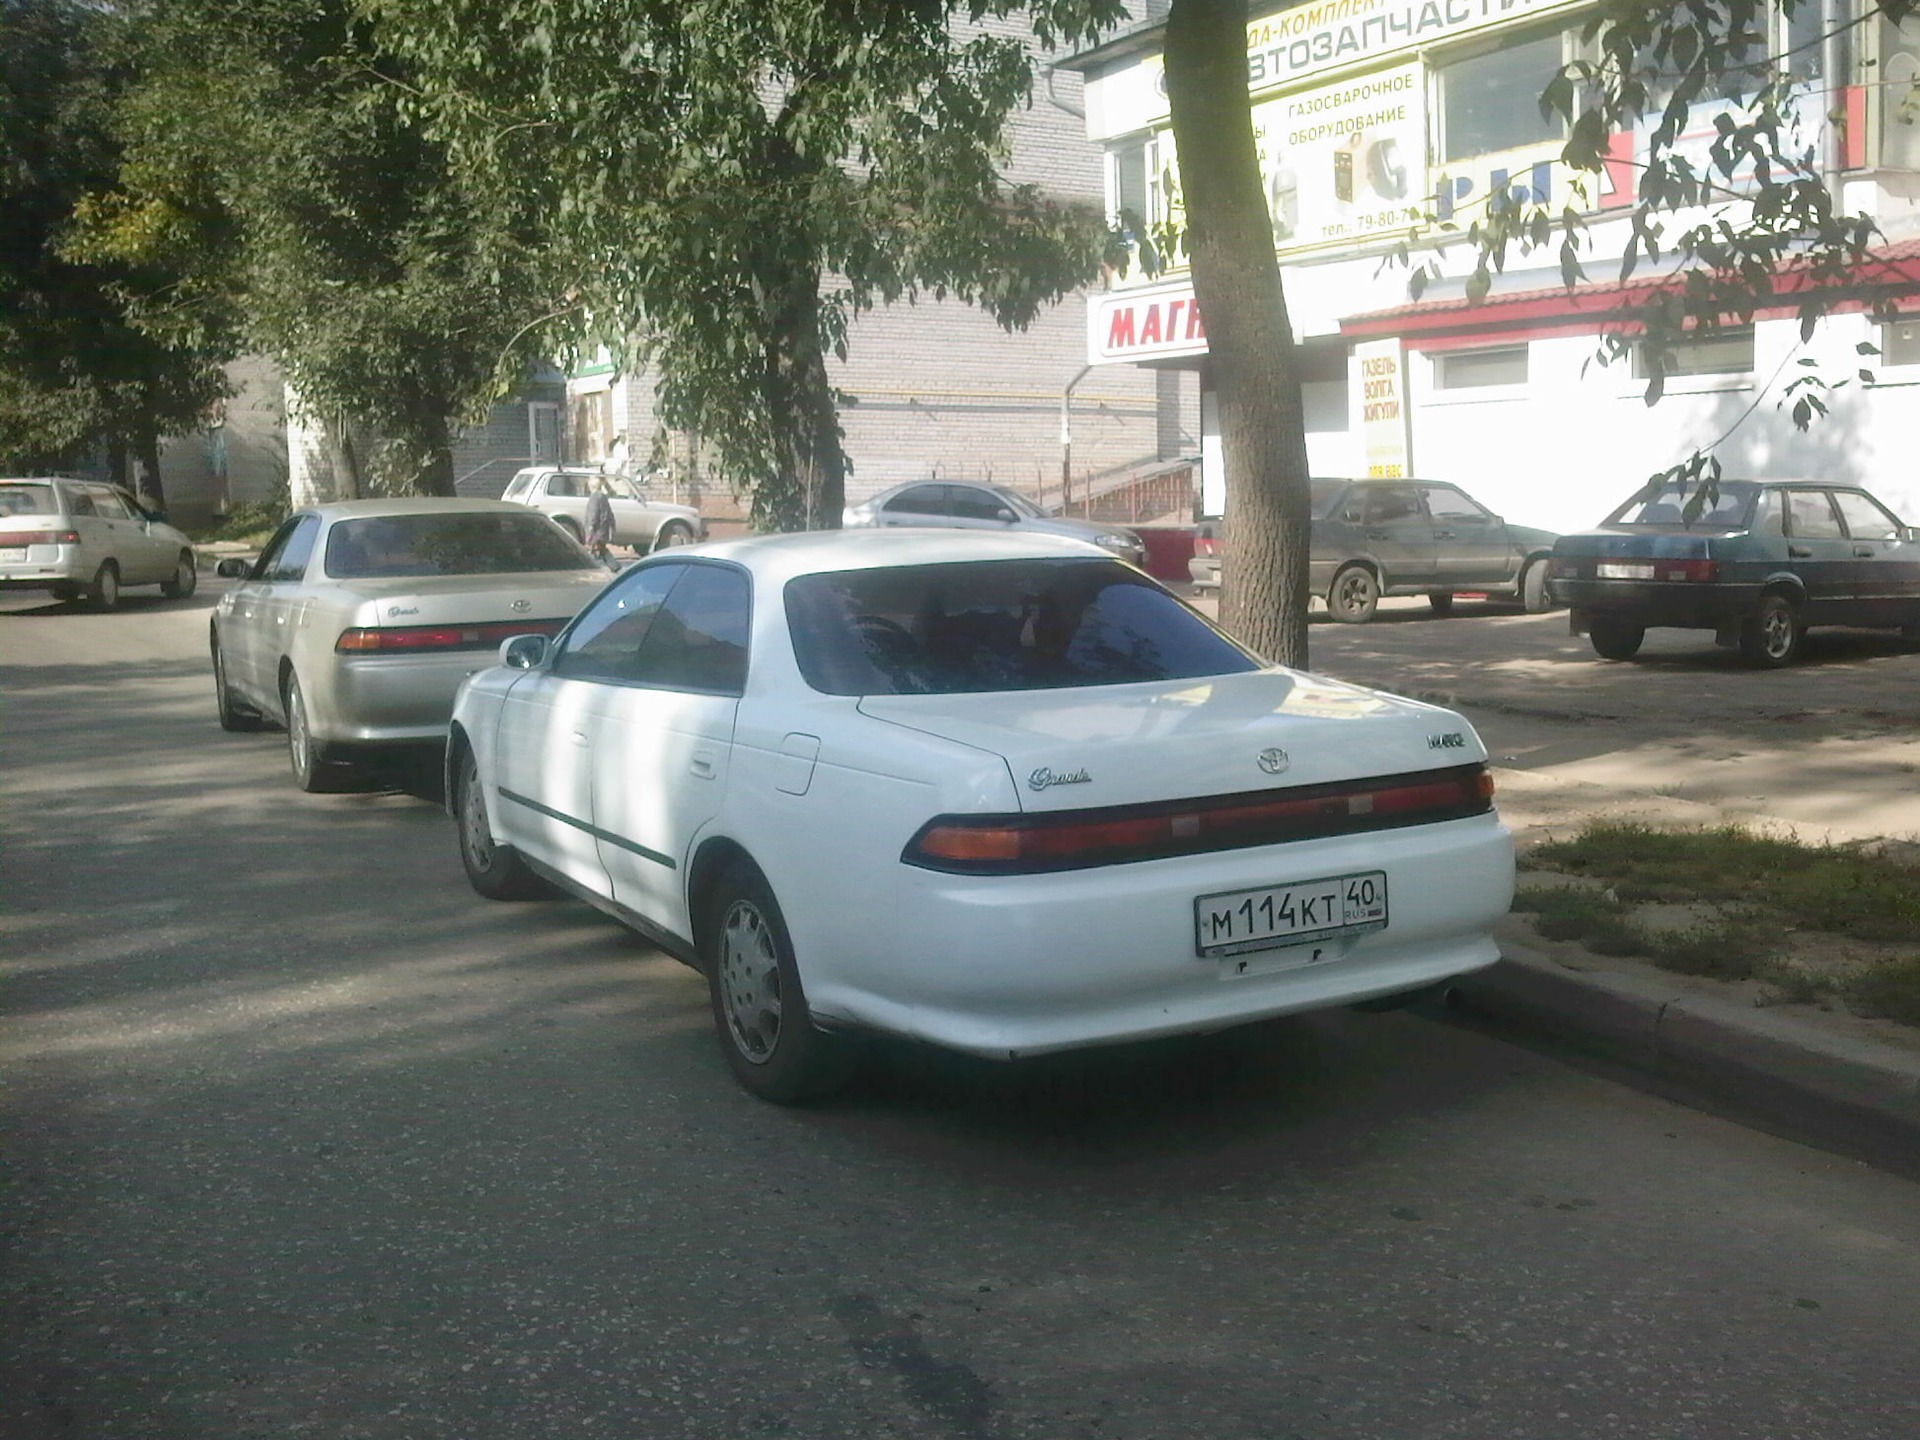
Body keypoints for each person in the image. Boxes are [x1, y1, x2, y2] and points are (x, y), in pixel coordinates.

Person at [584, 481, 616, 566]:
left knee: (595, 549)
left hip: (596, 530)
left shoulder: (594, 497)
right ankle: (614, 566)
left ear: (591, 486)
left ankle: (593, 566)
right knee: (601, 549)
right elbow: (609, 513)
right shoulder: (603, 496)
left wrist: (591, 526)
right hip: (603, 529)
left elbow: (593, 513)